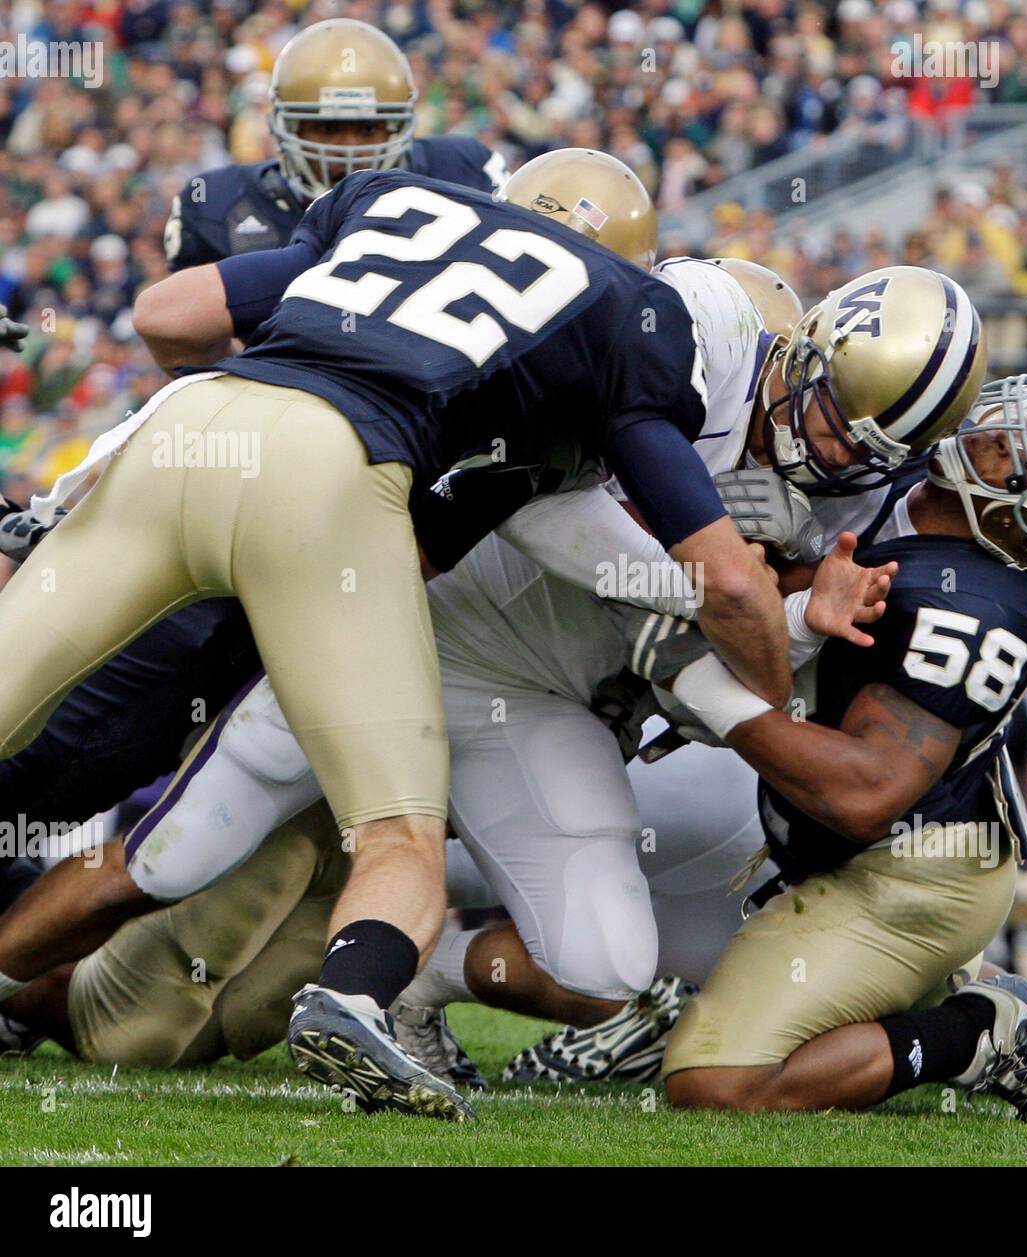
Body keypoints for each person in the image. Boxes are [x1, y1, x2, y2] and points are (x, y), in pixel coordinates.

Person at [0, 155, 790, 1119]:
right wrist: (774, 674)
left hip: (191, 425)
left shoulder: (400, 197)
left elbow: (167, 317)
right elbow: (729, 583)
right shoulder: (629, 318)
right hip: (336, 478)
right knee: (400, 829)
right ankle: (356, 999)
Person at [0, 17, 510, 838]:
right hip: (257, 476)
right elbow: (188, 355)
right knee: (112, 721)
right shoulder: (219, 205)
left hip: (406, 496)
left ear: (408, 125)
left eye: (368, 127)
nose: (347, 149)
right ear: (278, 126)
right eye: (324, 127)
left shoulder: (465, 174)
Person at [648, 377, 1027, 1119]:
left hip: (907, 876)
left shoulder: (977, 609)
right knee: (612, 945)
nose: (1007, 433)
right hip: (810, 836)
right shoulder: (919, 470)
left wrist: (703, 688)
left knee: (716, 1081)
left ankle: (979, 1032)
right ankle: (940, 980)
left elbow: (866, 794)